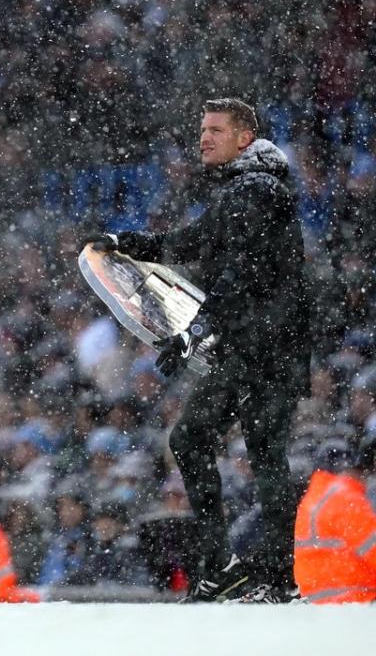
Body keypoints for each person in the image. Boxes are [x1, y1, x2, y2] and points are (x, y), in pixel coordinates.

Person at [85, 98, 312, 602]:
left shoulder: (256, 190)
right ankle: (233, 569)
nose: (204, 138)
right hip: (258, 347)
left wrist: (195, 331)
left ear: (244, 138)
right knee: (227, 447)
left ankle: (267, 577)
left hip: (268, 350)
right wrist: (128, 242)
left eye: (215, 130)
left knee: (254, 453)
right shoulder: (245, 189)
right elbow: (194, 241)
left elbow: (240, 275)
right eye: (202, 130)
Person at [294, 435, 376, 604]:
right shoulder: (345, 498)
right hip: (355, 602)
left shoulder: (315, 498)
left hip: (322, 603)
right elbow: (372, 547)